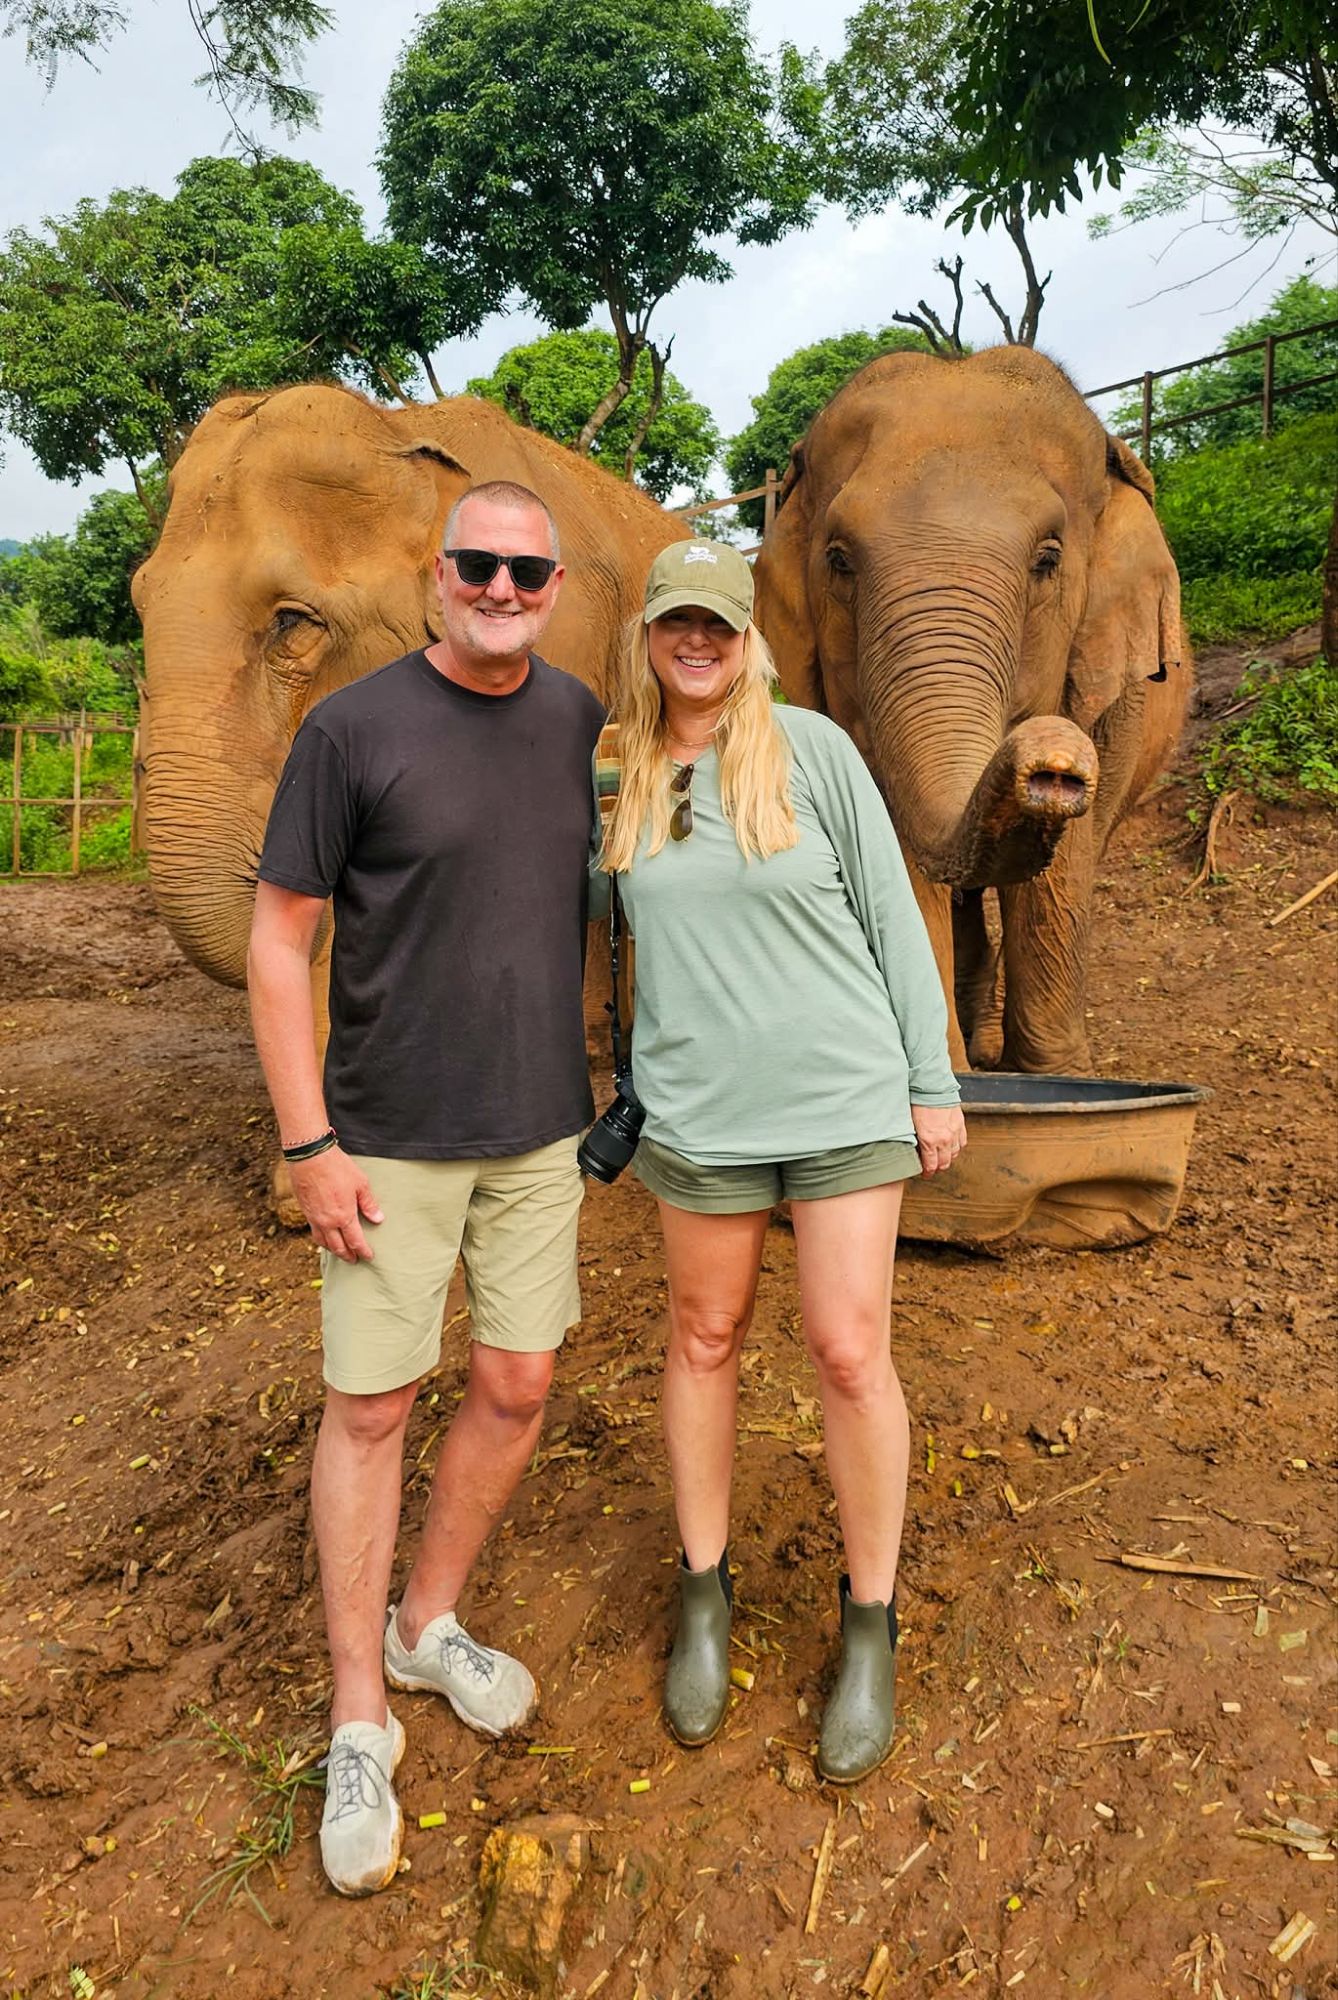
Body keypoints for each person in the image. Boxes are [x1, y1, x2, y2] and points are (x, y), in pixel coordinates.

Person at [247, 482, 604, 1895]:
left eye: (526, 570)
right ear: (436, 573)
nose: (501, 588)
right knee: (373, 1404)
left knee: (517, 1383)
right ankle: (359, 1716)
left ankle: (424, 1624)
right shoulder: (350, 730)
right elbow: (280, 939)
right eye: (478, 564)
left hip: (538, 1130)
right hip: (386, 1135)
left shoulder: (577, 720)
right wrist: (308, 1143)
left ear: (555, 586)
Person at [596, 538, 967, 1784]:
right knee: (704, 1335)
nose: (696, 642)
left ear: (746, 636)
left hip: (842, 1095)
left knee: (849, 1348)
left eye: (718, 622)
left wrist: (931, 1079)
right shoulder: (620, 772)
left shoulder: (814, 749)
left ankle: (871, 1619)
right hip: (700, 1109)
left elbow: (892, 911)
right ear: (649, 636)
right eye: (676, 622)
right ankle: (703, 1591)